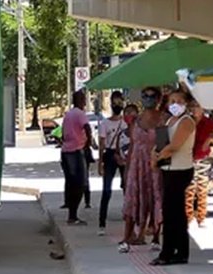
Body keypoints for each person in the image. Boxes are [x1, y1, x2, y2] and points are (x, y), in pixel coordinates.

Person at [151, 89, 197, 266]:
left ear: (185, 103)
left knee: (173, 213)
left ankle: (170, 252)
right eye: (171, 101)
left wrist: (158, 156)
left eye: (178, 101)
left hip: (180, 170)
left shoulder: (186, 122)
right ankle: (176, 251)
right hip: (168, 169)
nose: (174, 104)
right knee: (172, 212)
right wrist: (154, 156)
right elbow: (161, 143)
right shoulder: (170, 120)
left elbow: (174, 145)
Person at [119, 88, 164, 252]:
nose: (148, 99)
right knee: (133, 199)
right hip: (136, 165)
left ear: (158, 99)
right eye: (145, 96)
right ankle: (128, 236)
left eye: (152, 96)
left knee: (155, 199)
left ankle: (156, 237)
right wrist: (127, 169)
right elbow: (132, 146)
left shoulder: (163, 120)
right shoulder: (136, 120)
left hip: (154, 165)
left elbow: (163, 145)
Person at [96, 98, 130, 234]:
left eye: (119, 103)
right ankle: (101, 223)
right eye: (115, 103)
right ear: (111, 105)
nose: (117, 106)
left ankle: (130, 218)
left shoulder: (127, 123)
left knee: (127, 188)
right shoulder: (105, 123)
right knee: (106, 190)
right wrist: (100, 163)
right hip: (110, 155)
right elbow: (102, 143)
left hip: (124, 154)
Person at [59, 89, 91, 227]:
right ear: (80, 100)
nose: (85, 102)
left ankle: (71, 214)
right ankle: (73, 215)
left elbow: (63, 133)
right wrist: (88, 143)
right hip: (76, 151)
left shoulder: (68, 114)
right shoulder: (80, 114)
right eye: (84, 99)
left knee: (71, 183)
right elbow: (87, 127)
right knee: (81, 183)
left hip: (66, 151)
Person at [185, 103, 213, 227]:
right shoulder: (186, 121)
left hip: (203, 158)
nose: (194, 109)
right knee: (189, 189)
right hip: (188, 158)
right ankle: (189, 217)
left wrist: (209, 139)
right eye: (192, 106)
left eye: (196, 106)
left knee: (202, 189)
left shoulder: (208, 123)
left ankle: (201, 217)